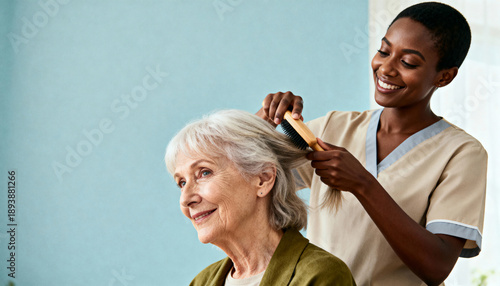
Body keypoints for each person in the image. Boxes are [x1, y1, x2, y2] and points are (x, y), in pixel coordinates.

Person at [256, 2, 487, 286]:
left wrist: (363, 185)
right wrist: (265, 120)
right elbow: (249, 176)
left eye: (408, 62)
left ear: (445, 76)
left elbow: (436, 266)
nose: (386, 68)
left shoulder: (461, 153)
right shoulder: (333, 126)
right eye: (384, 51)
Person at [165, 110, 356, 285]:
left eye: (204, 173)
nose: (185, 199)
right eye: (181, 183)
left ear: (263, 178)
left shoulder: (320, 275)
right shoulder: (200, 282)